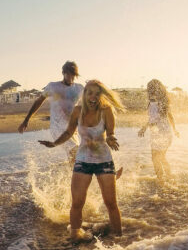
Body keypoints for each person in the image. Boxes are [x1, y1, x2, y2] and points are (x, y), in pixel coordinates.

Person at [39, 80, 124, 241]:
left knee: (111, 203)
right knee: (77, 203)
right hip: (82, 161)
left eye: (97, 93)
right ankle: (75, 237)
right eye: (89, 92)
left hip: (104, 162)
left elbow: (111, 132)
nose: (93, 96)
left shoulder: (107, 110)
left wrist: (111, 138)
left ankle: (118, 238)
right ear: (84, 94)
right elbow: (69, 132)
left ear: (101, 95)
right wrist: (54, 143)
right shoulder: (77, 111)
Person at [19, 61, 84, 165]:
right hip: (57, 128)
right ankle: (83, 178)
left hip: (72, 129)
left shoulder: (79, 88)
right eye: (68, 74)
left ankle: (73, 178)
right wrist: (26, 120)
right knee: (75, 152)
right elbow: (38, 101)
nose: (70, 77)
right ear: (63, 73)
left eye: (73, 75)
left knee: (77, 155)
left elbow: (91, 101)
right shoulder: (53, 86)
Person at [138, 79, 179, 184]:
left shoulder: (156, 103)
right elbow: (169, 117)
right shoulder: (161, 102)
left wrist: (145, 127)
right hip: (163, 133)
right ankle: (168, 178)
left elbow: (155, 120)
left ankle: (161, 180)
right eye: (150, 89)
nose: (150, 91)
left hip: (161, 134)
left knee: (156, 158)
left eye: (152, 89)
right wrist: (174, 130)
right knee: (160, 157)